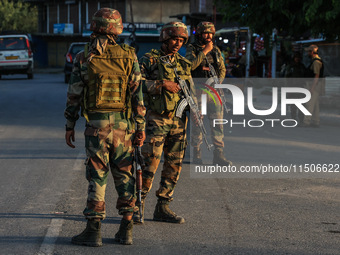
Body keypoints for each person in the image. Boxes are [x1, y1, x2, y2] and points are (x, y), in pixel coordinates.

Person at [64, 8, 146, 246]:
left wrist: (70, 124)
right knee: (124, 174)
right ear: (117, 29)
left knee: (97, 176)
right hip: (124, 127)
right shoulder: (129, 56)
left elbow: (74, 95)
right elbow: (138, 97)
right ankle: (126, 229)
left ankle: (94, 230)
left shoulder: (83, 57)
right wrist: (140, 128)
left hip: (96, 127)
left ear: (94, 27)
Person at [134, 22, 194, 224]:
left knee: (174, 164)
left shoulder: (183, 64)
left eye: (181, 40)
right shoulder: (149, 60)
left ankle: (163, 205)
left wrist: (196, 110)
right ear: (165, 39)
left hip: (178, 121)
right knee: (150, 163)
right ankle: (137, 205)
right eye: (174, 39)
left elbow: (190, 92)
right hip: (156, 120)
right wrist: (161, 84)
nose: (178, 43)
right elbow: (135, 84)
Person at [185, 21, 232, 165]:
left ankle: (219, 155)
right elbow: (190, 65)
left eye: (211, 33)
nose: (209, 36)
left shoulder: (216, 50)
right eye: (206, 33)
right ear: (199, 34)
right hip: (198, 91)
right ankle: (196, 154)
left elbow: (222, 69)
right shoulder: (192, 49)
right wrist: (204, 51)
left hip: (214, 92)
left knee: (218, 124)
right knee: (197, 123)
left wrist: (217, 82)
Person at [301, 44, 324, 127]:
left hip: (313, 85)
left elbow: (316, 76)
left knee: (309, 104)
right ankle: (315, 121)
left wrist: (312, 88)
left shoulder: (316, 62)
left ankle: (306, 122)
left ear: (312, 52)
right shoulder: (315, 61)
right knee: (315, 104)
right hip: (315, 85)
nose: (308, 53)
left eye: (309, 51)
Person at [284, 51, 306, 123]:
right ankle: (293, 117)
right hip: (292, 87)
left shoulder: (302, 66)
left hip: (301, 87)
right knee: (293, 105)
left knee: (302, 104)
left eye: (298, 57)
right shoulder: (290, 67)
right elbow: (287, 78)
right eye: (296, 57)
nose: (297, 59)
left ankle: (301, 119)